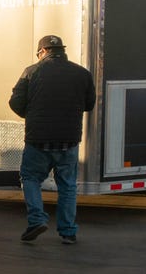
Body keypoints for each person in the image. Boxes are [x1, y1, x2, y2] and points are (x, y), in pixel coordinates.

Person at [8, 35, 96, 244]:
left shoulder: (31, 72)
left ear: (43, 51)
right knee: (67, 185)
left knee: (30, 178)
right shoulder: (82, 73)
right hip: (69, 140)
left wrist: (31, 115)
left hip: (38, 139)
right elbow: (89, 104)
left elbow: (15, 102)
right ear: (61, 51)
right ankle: (68, 232)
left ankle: (36, 219)